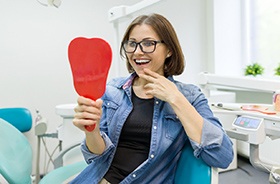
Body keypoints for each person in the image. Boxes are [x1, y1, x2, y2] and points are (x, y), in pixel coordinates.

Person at [70, 13, 234, 184]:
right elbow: (97, 156)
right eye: (132, 44)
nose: (137, 52)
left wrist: (175, 98)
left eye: (149, 43)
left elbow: (222, 156)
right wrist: (92, 130)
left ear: (169, 50)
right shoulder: (112, 90)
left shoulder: (189, 96)